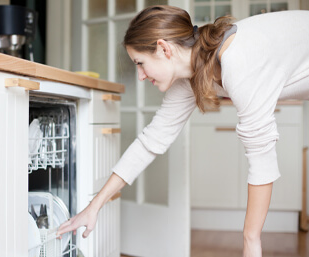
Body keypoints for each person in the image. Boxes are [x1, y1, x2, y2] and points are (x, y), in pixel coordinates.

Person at [57, 5, 309, 257]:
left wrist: (250, 240)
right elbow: (151, 141)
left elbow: (262, 158)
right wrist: (94, 207)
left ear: (164, 48)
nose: (141, 76)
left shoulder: (239, 60)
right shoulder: (191, 74)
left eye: (141, 63)